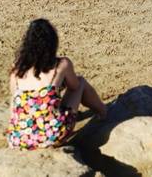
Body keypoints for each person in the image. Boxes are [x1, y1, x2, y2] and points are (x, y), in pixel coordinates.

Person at [7, 19, 106, 150]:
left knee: (19, 98)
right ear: (52, 43)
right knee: (80, 82)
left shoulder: (17, 69)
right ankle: (103, 112)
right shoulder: (61, 64)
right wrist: (58, 85)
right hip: (52, 136)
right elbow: (74, 87)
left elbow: (14, 99)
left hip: (19, 139)